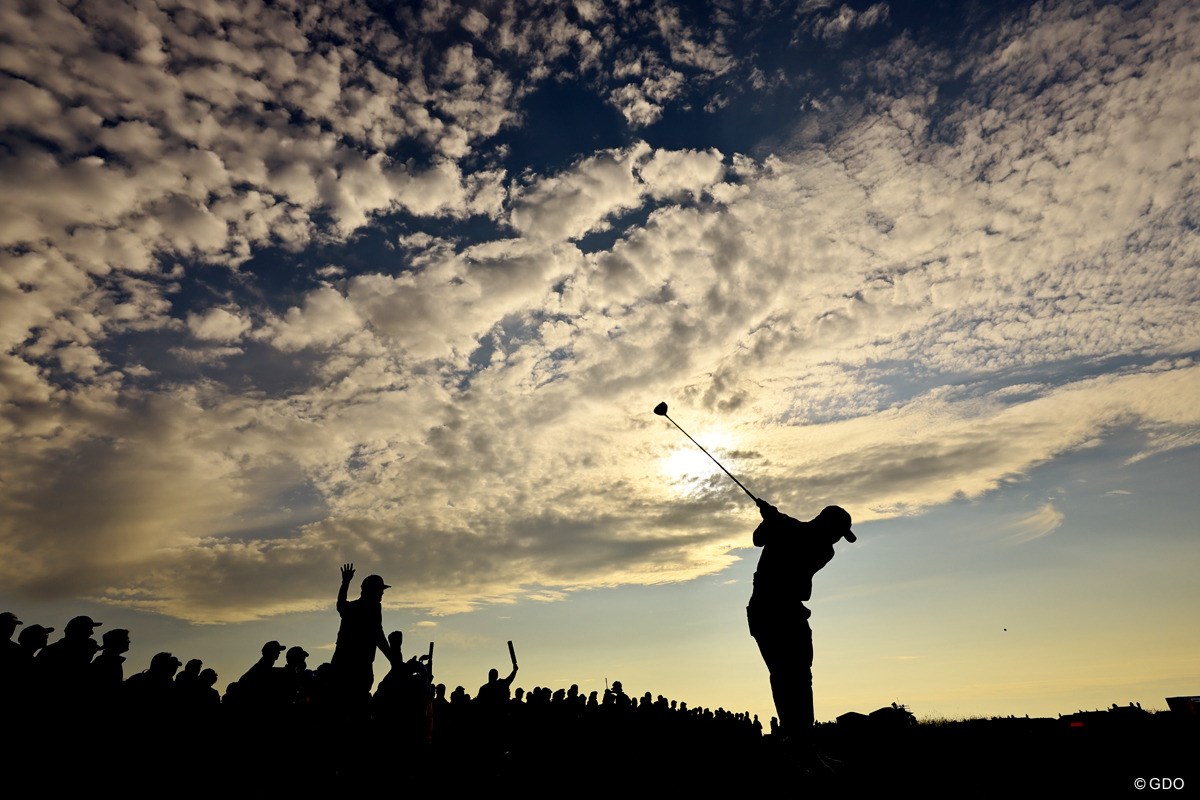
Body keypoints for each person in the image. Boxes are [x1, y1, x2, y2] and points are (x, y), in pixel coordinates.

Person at [746, 498, 854, 753]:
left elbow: (800, 537)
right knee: (785, 675)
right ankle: (798, 740)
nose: (838, 539)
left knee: (799, 676)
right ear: (825, 525)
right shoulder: (786, 528)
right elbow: (758, 539)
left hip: (788, 612)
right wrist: (769, 519)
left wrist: (775, 517)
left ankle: (802, 740)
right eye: (838, 533)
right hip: (769, 612)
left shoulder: (823, 549)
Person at [330, 563, 392, 705]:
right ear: (371, 591)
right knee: (355, 700)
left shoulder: (352, 608)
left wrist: (345, 583)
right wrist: (392, 658)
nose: (382, 594)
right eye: (380, 590)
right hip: (358, 666)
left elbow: (340, 605)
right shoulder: (372, 607)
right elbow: (378, 634)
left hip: (342, 663)